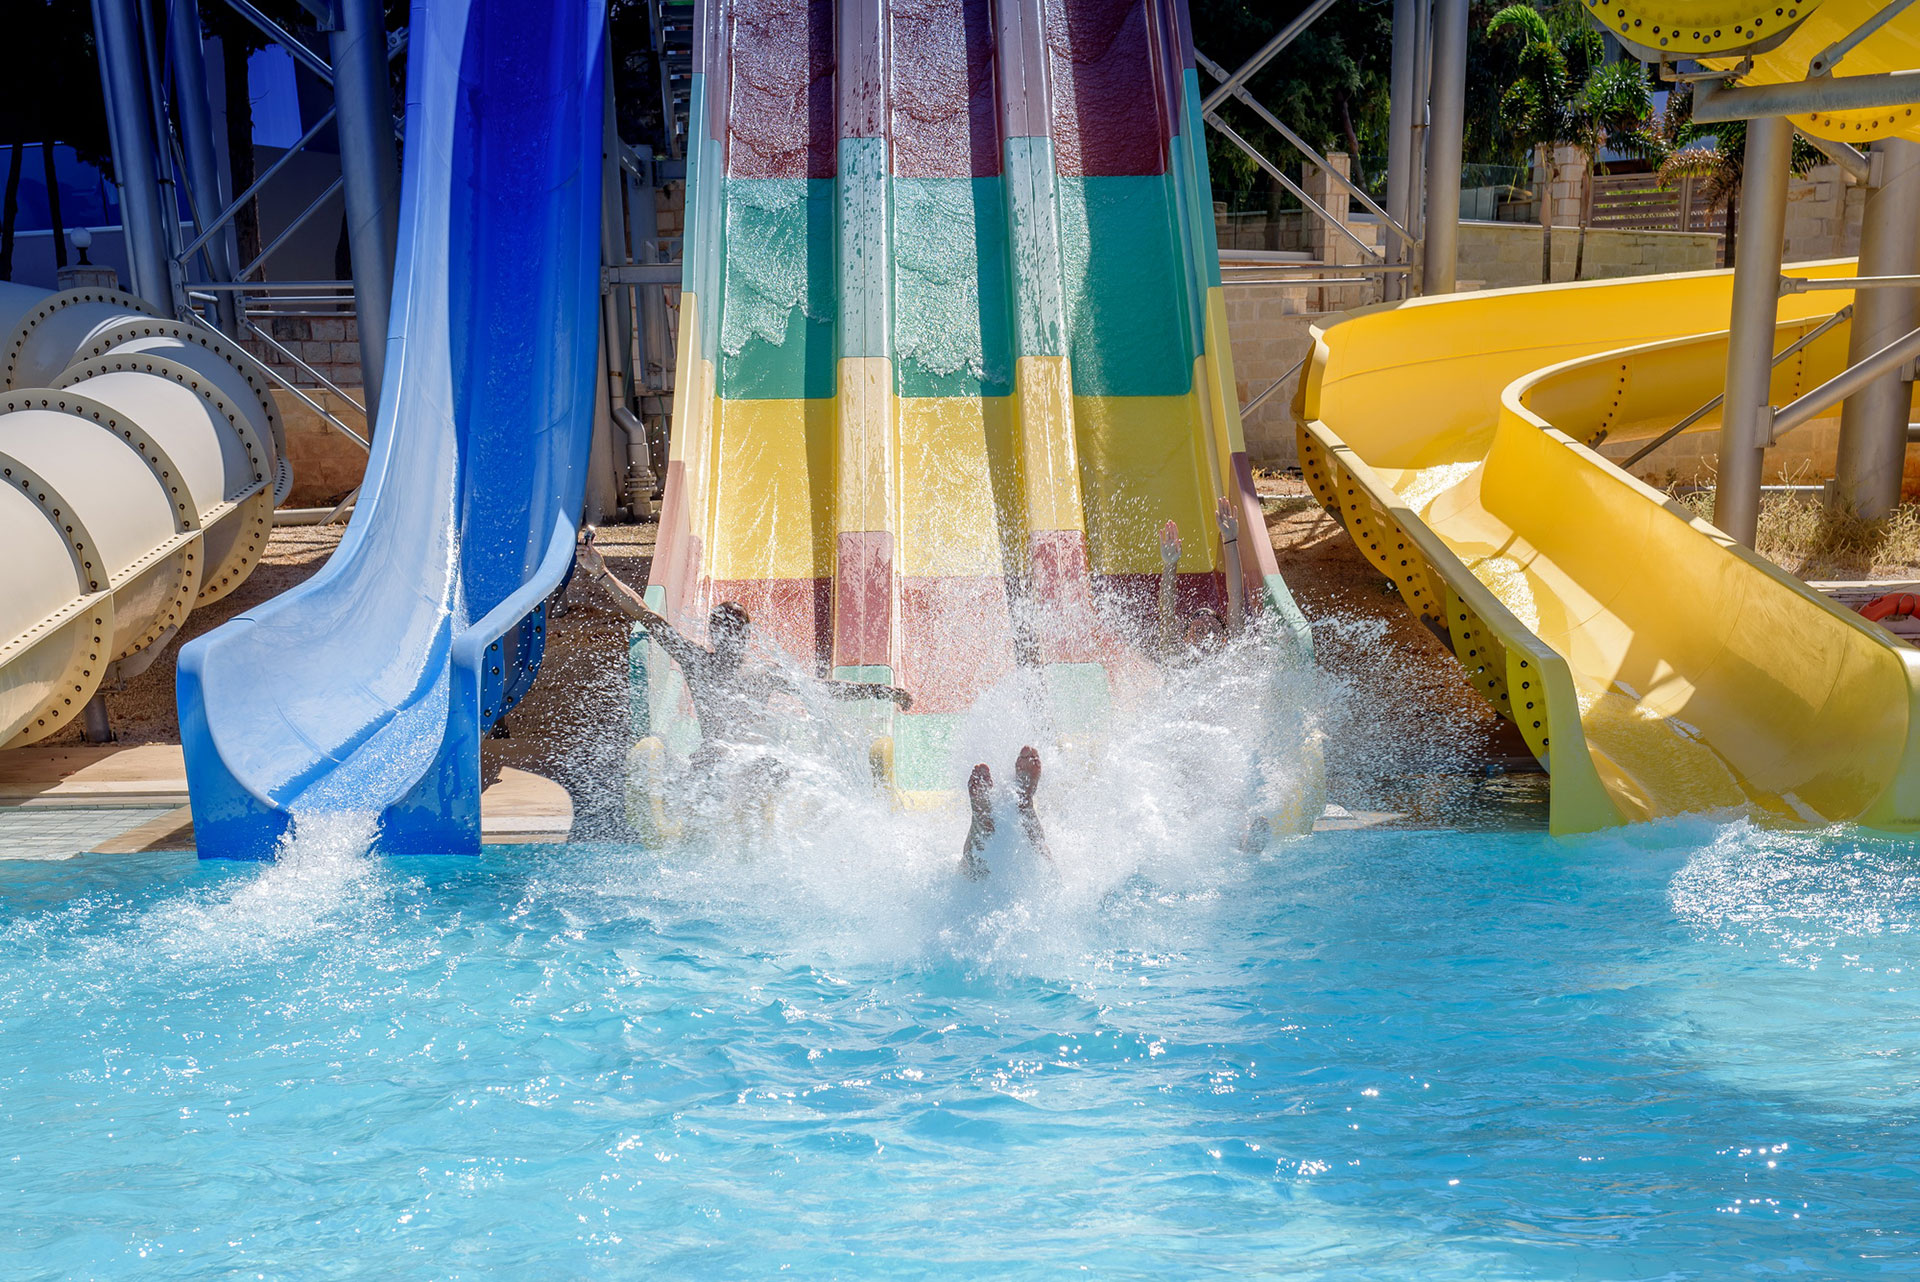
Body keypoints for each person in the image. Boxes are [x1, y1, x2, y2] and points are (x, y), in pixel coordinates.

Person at [576, 528, 911, 754]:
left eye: (733, 630)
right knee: (711, 761)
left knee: (768, 765)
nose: (728, 637)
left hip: (751, 758)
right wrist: (602, 574)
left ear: (744, 636)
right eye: (724, 629)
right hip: (718, 760)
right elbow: (645, 614)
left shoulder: (757, 674)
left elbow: (823, 689)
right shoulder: (697, 661)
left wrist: (881, 691)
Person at [959, 745, 1051, 880]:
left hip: (972, 894)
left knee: (969, 872)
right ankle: (1023, 804)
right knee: (1043, 859)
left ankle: (983, 824)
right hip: (1037, 893)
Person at [1156, 519, 1230, 663]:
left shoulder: (1230, 665)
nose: (1207, 636)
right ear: (1186, 639)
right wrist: (1170, 564)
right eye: (1198, 631)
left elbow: (1236, 598)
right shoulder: (1177, 661)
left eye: (1213, 631)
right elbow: (1166, 611)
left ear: (1224, 640)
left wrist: (1231, 541)